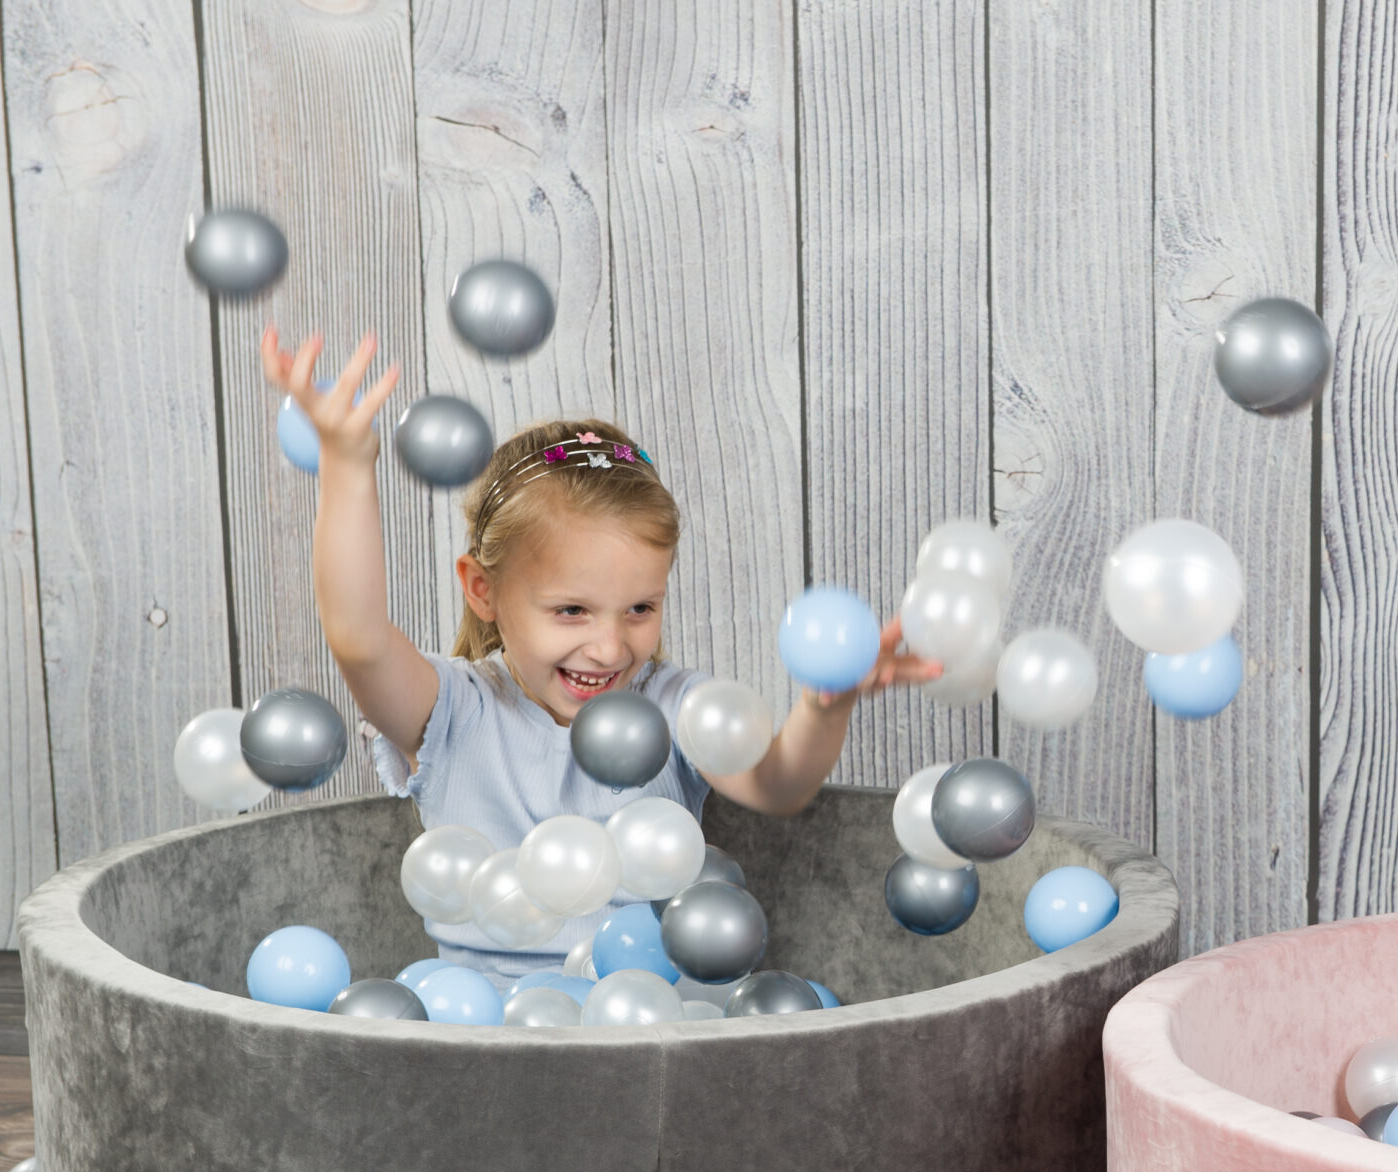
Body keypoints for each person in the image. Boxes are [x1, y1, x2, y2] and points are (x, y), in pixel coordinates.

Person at [259, 327, 934, 982]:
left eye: (640, 608)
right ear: (484, 590)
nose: (611, 646)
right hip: (486, 1045)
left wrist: (828, 700)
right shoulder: (452, 711)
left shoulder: (673, 706)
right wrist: (346, 468)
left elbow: (780, 787)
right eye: (571, 611)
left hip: (649, 1041)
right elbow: (358, 637)